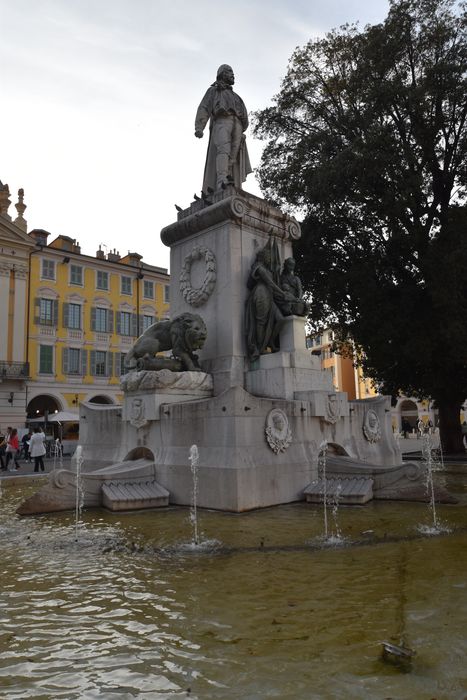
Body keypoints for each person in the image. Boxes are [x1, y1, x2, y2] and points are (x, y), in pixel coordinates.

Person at [195, 64, 252, 192]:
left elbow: (244, 114)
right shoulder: (214, 91)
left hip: (237, 123)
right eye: (230, 72)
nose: (233, 75)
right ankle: (221, 181)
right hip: (222, 120)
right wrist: (200, 126)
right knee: (223, 150)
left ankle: (229, 176)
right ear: (222, 73)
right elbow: (204, 107)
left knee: (233, 155)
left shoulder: (236, 96)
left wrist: (243, 126)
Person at [245, 247, 291, 361]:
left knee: (281, 319)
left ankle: (270, 341)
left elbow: (272, 284)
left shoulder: (266, 269)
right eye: (269, 257)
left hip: (269, 295)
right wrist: (282, 293)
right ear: (263, 257)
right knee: (261, 322)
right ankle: (261, 348)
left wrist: (284, 293)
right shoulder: (258, 268)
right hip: (261, 294)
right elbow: (269, 282)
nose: (270, 259)